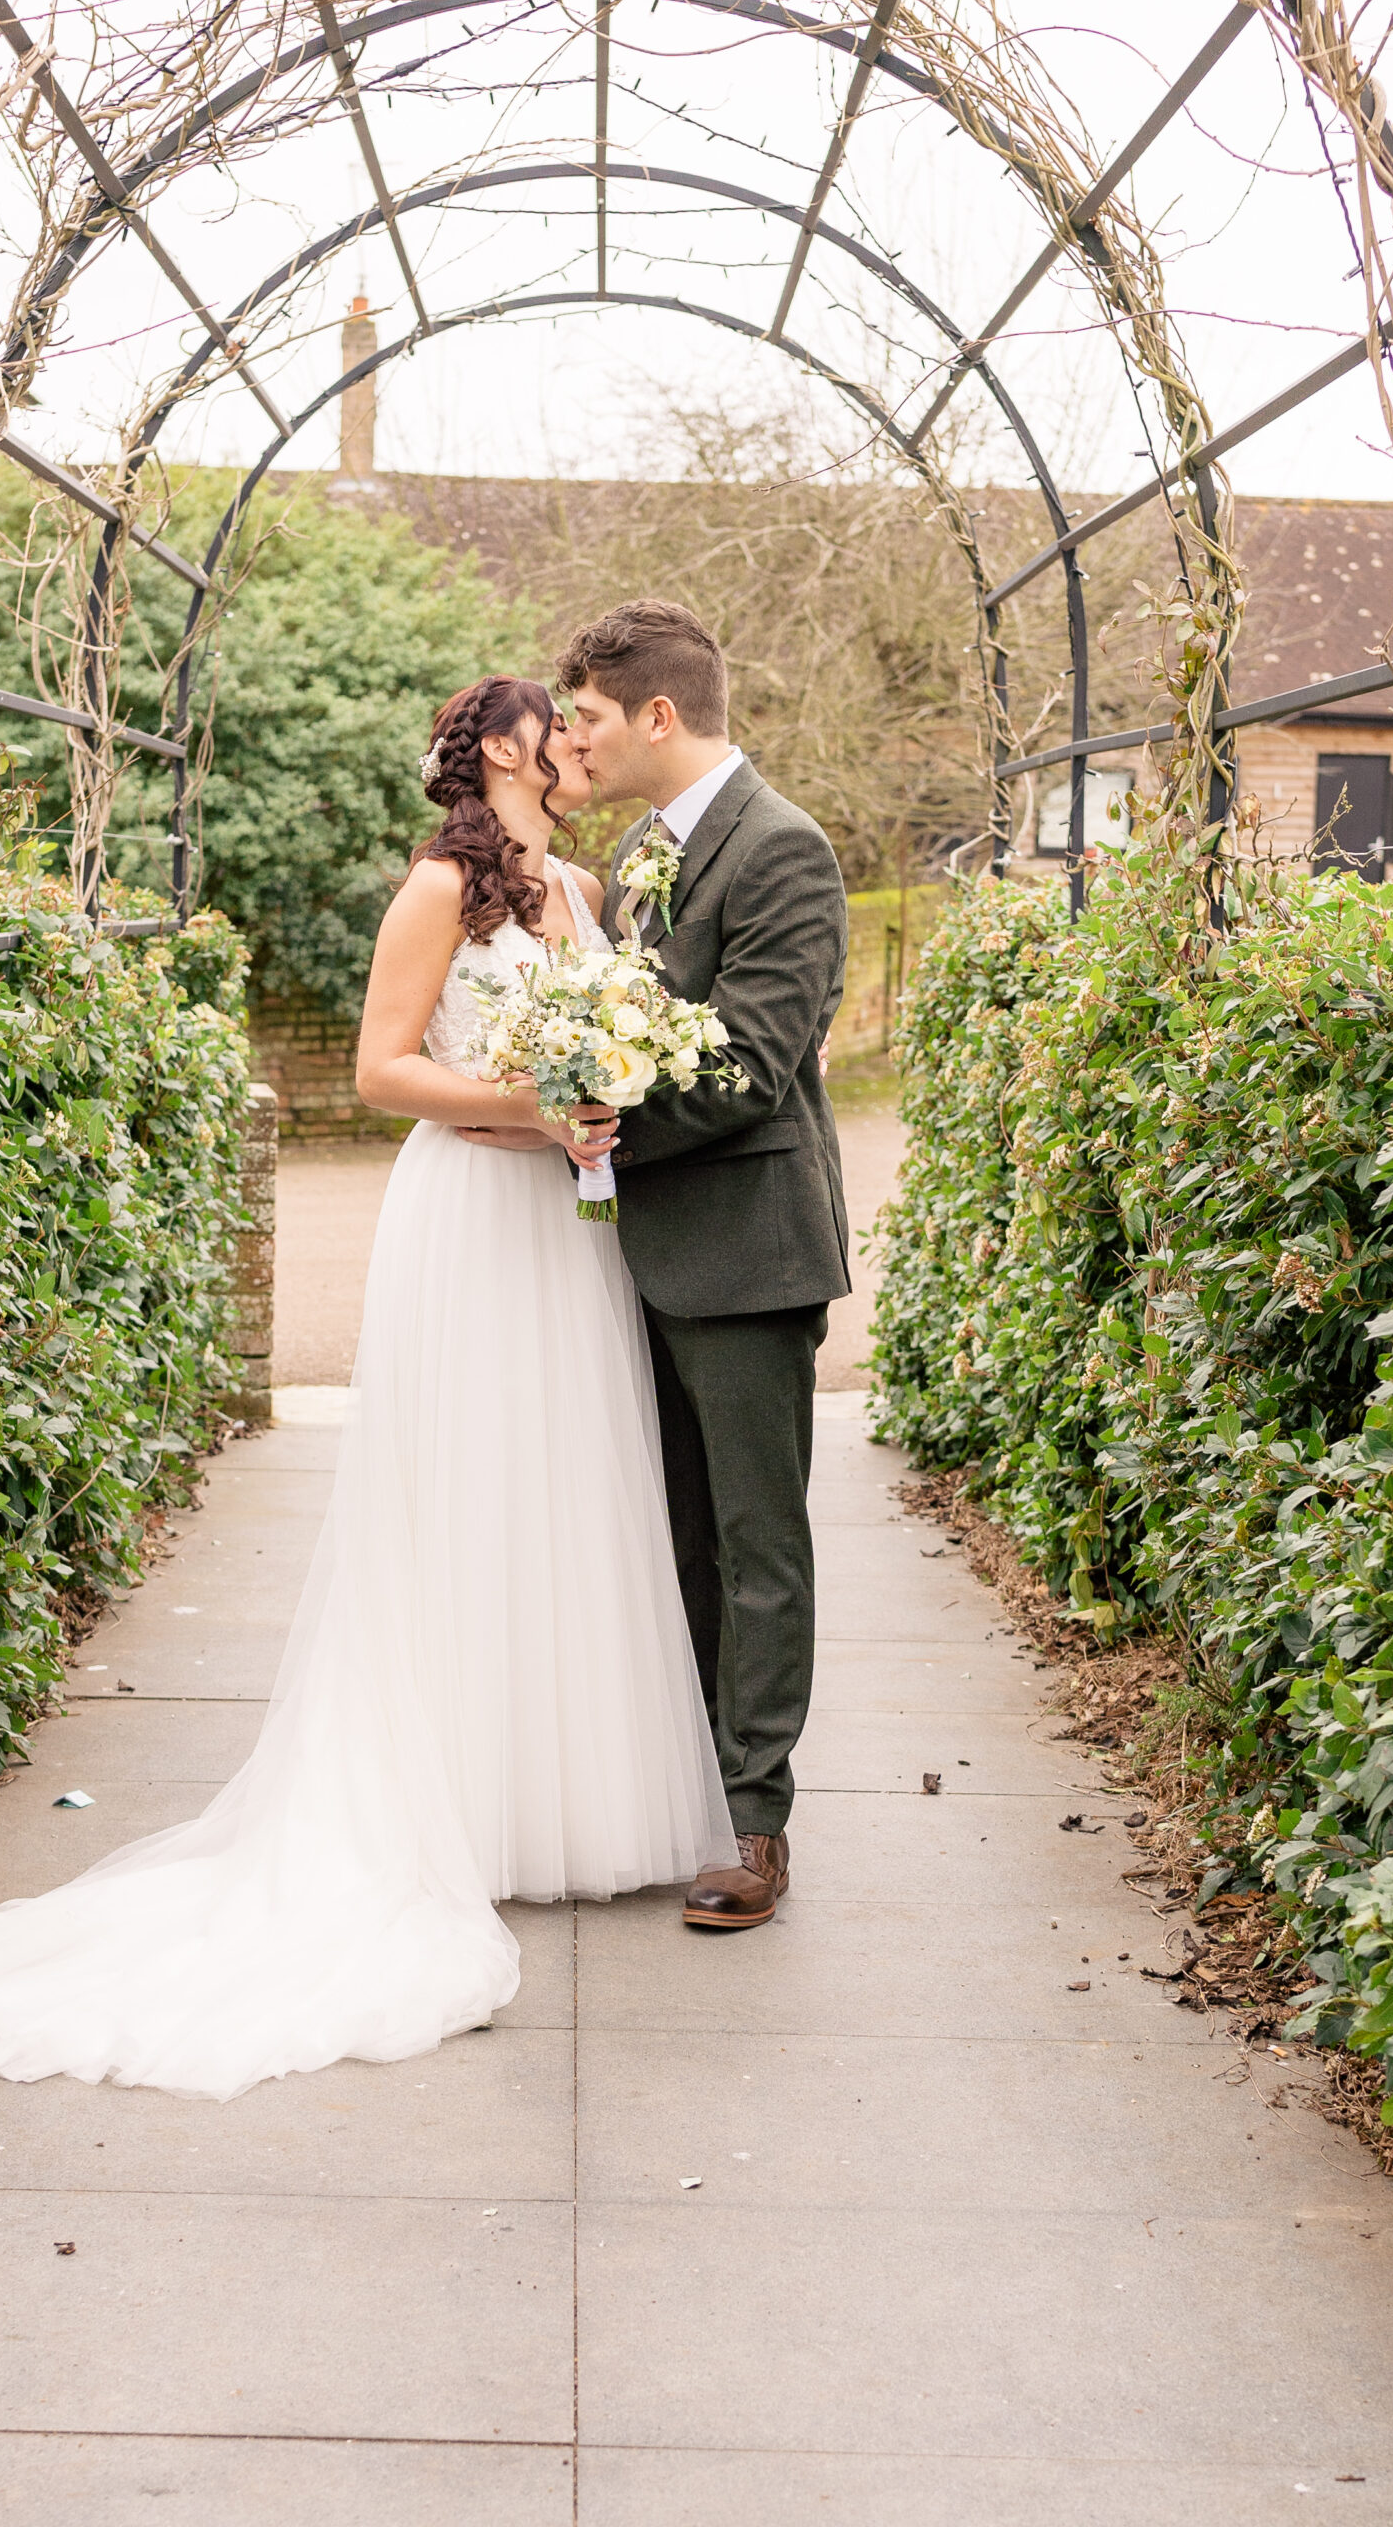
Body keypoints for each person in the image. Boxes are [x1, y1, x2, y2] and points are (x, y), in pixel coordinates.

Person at [0, 674, 735, 2097]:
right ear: (499, 751)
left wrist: (596, 1109)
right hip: (466, 1228)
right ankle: (445, 1808)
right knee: (458, 1492)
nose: (582, 746)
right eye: (560, 727)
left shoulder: (586, 894)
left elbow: (602, 1044)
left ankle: (553, 1807)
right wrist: (519, 1104)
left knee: (564, 1491)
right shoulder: (437, 891)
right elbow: (379, 1072)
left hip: (566, 1224)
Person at [559, 600, 850, 1928]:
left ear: (658, 715)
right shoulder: (637, 854)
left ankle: (755, 1823)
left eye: (591, 718)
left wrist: (596, 1107)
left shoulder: (784, 849)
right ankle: (683, 1784)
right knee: (668, 1538)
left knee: (754, 1543)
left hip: (746, 1253)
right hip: (644, 1248)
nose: (575, 739)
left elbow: (750, 1064)